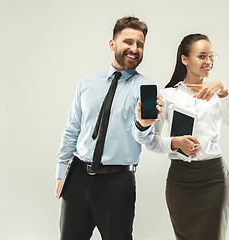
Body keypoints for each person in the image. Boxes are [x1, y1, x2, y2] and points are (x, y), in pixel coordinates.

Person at [55, 16, 163, 240]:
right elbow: (72, 129)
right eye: (128, 42)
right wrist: (61, 173)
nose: (134, 49)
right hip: (77, 177)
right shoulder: (87, 84)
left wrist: (142, 124)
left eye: (140, 44)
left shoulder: (146, 88)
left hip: (117, 183)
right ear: (112, 44)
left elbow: (146, 138)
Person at [134, 33, 229, 240]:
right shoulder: (167, 96)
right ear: (185, 59)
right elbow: (151, 141)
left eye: (211, 56)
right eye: (202, 56)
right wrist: (175, 143)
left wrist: (223, 90)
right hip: (181, 180)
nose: (208, 62)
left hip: (214, 178)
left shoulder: (218, 94)